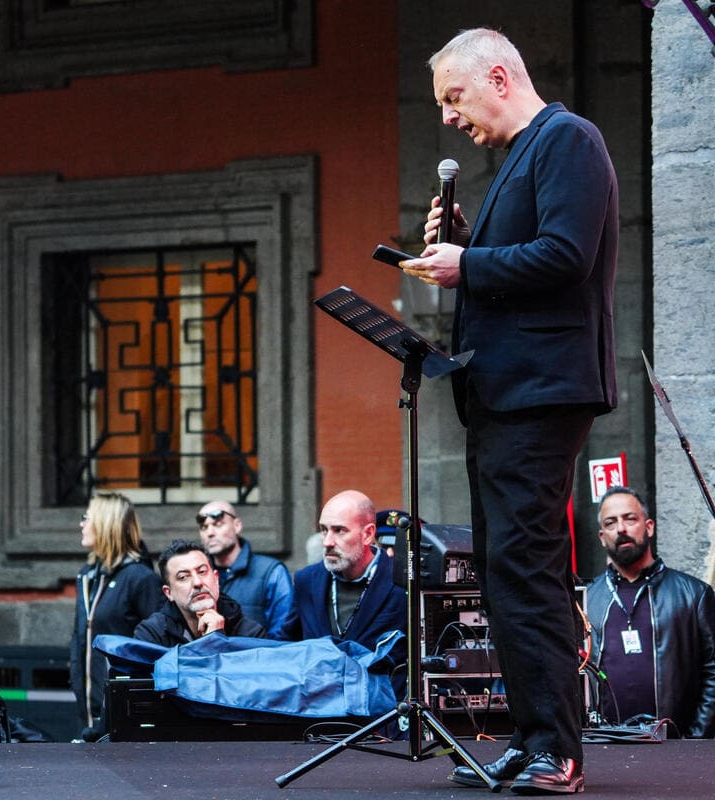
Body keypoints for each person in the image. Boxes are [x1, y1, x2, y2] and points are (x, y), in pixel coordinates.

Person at [405, 28, 619, 794]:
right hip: (507, 393)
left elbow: (567, 256)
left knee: (526, 569)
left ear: (498, 75)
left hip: (541, 392)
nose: (449, 118)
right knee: (505, 572)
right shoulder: (521, 160)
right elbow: (527, 259)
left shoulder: (568, 140)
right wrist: (468, 245)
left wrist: (470, 263)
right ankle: (533, 739)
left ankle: (556, 750)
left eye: (453, 98)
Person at [585, 486, 715, 738]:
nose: (621, 528)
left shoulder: (694, 594)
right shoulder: (589, 600)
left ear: (649, 526)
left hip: (678, 750)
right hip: (604, 746)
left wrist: (695, 739)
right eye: (611, 523)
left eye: (630, 518)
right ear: (602, 537)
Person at [69, 492, 164, 742]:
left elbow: (154, 649)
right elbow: (80, 635)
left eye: (86, 518)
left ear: (105, 523)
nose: (81, 524)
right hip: (88, 707)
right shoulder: (87, 575)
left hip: (123, 713)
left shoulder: (140, 578)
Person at [279, 490, 405, 651]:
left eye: (339, 530)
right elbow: (286, 645)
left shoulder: (401, 582)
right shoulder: (307, 580)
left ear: (367, 534)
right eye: (324, 530)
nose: (327, 542)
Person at [134, 539, 267, 647]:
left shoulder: (250, 634)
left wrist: (217, 640)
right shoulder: (151, 635)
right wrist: (209, 644)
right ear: (169, 593)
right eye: (183, 577)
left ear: (216, 579)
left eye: (202, 572)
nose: (197, 582)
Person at [195, 501, 293, 639]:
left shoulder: (271, 572)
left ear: (237, 525)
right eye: (204, 527)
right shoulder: (197, 577)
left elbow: (283, 634)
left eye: (218, 525)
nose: (210, 533)